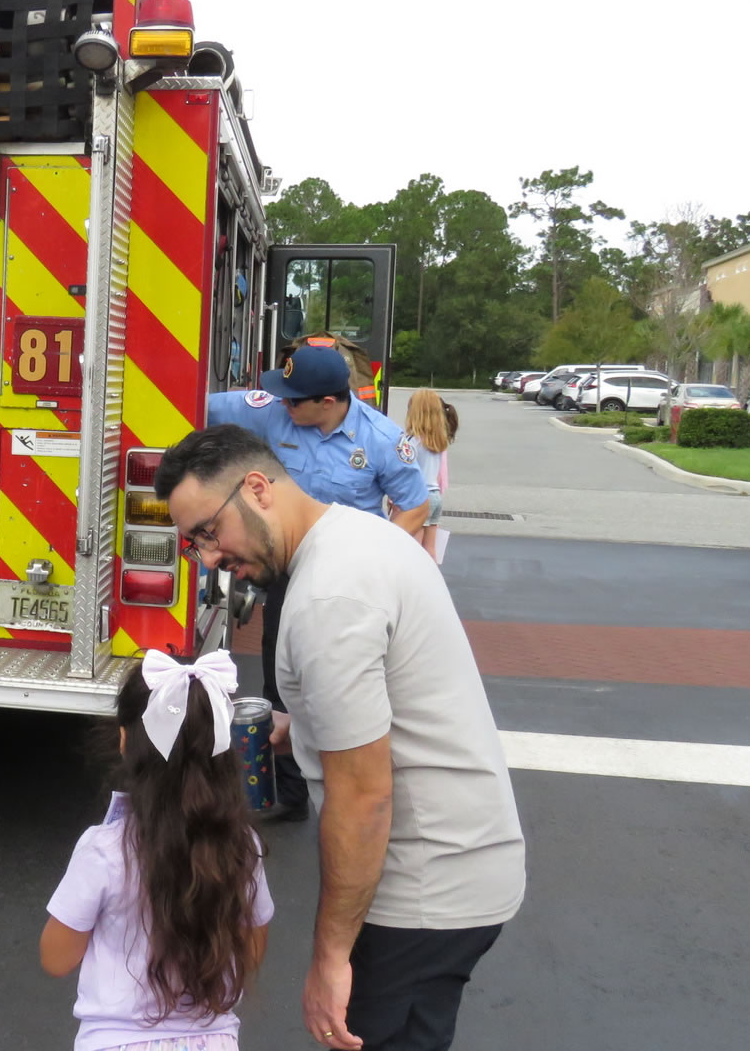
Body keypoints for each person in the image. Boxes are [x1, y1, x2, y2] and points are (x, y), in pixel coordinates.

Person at [156, 424, 525, 1051]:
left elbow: (363, 797)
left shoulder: (328, 599)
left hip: (423, 889)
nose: (209, 558)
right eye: (196, 544)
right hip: (461, 864)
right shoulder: (358, 534)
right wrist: (302, 723)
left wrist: (331, 958)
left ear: (257, 488)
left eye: (210, 532)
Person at [207, 345, 429, 824]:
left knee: (349, 679)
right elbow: (201, 404)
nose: (284, 405)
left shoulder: (382, 440)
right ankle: (289, 794)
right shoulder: (275, 413)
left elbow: (415, 505)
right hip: (291, 570)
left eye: (294, 400)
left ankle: (366, 786)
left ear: (328, 402)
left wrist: (378, 555)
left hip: (352, 580)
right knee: (280, 678)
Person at [41, 651, 274, 1051]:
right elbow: (251, 948)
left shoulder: (104, 850)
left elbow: (56, 958)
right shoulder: (241, 845)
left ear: (124, 740)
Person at [403, 390, 454, 560]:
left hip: (418, 498)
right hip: (435, 496)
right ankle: (432, 576)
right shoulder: (438, 440)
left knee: (413, 551)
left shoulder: (411, 441)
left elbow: (405, 473)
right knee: (430, 550)